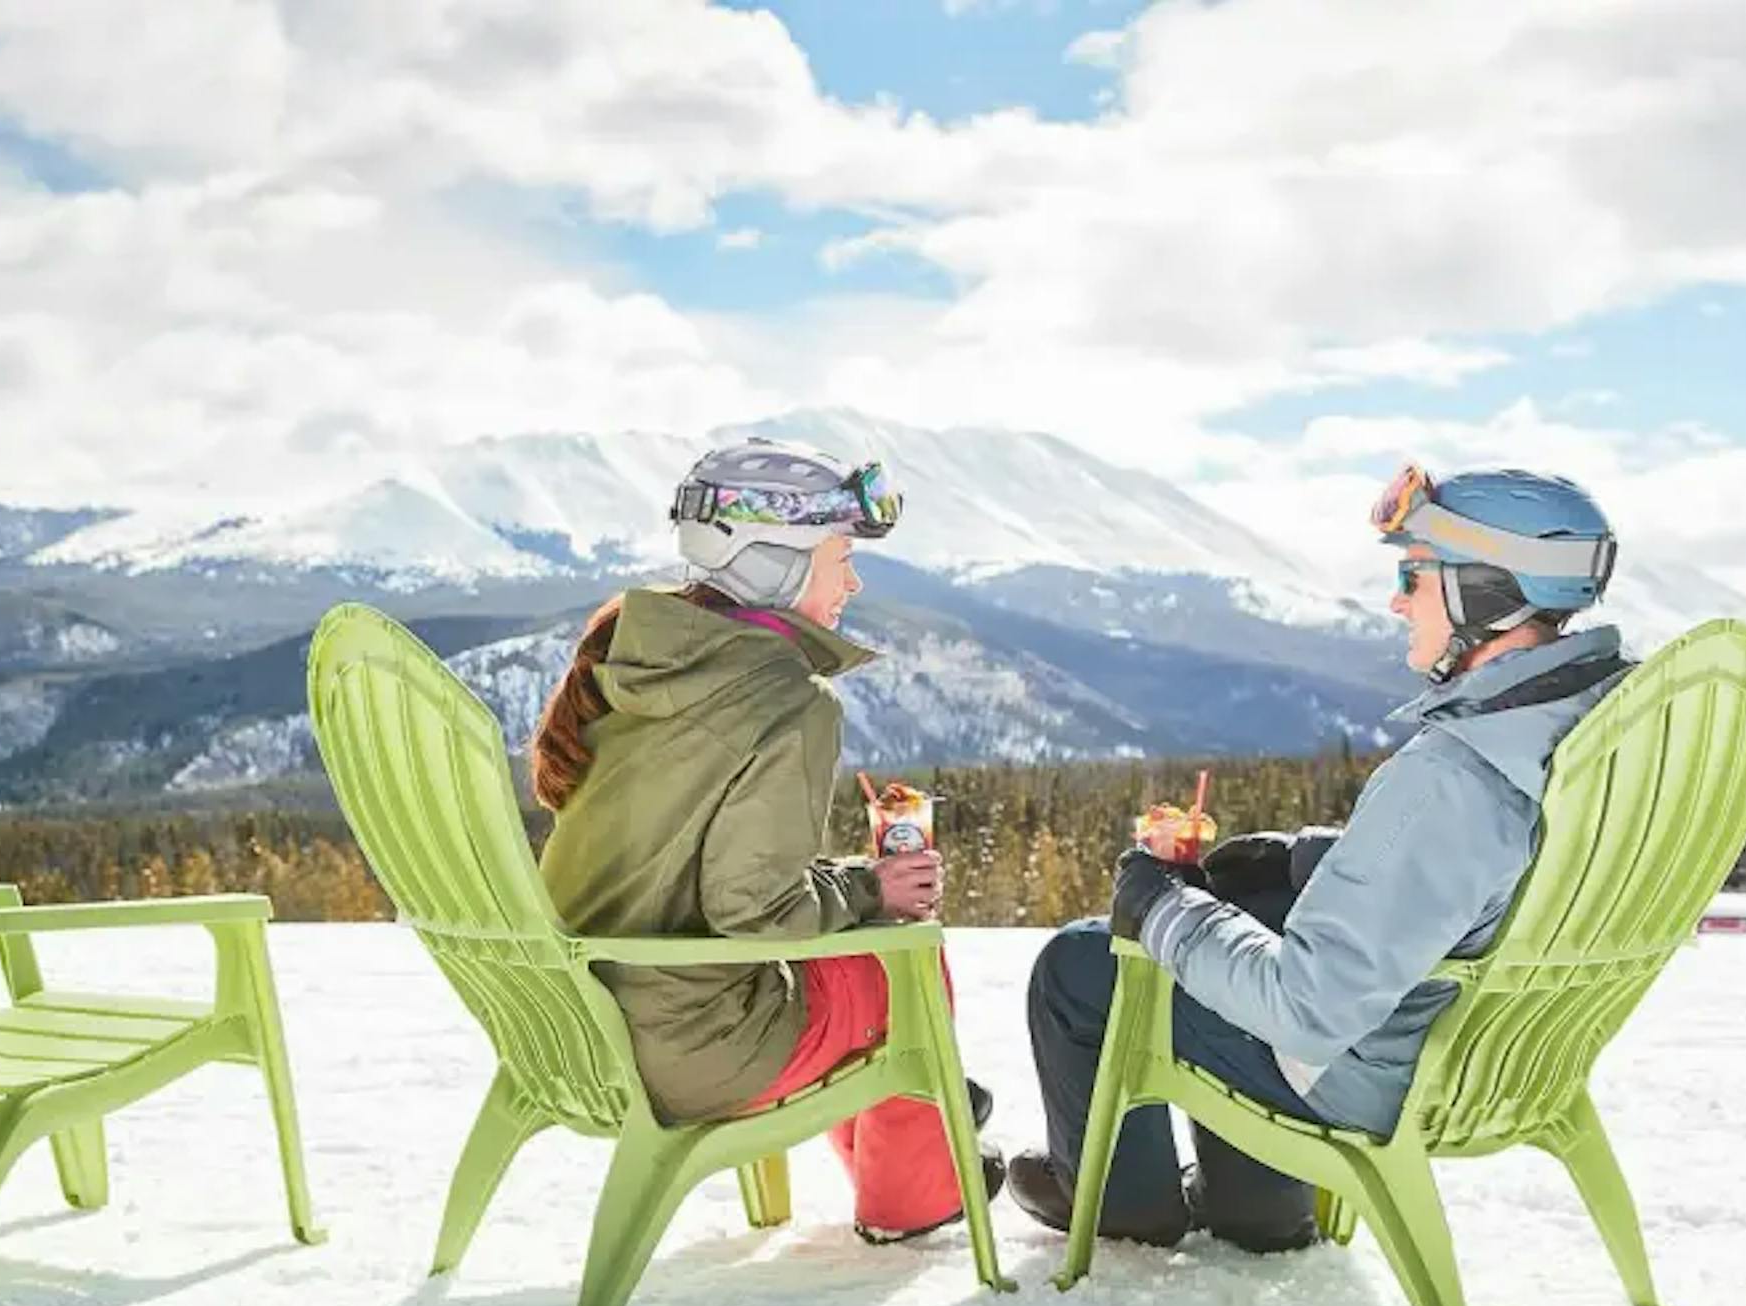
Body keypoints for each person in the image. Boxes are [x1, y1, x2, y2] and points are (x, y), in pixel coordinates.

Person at [1007, 466, 1629, 1252]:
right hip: (1485, 1037)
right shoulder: (1585, 731)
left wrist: (1162, 903)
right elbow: (1491, 864)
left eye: (1414, 576)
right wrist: (1300, 861)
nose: (1398, 601)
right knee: (1252, 909)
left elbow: (1305, 1010)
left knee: (1082, 960)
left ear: (1485, 593)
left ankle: (1124, 1203)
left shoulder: (1451, 773)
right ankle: (1254, 1207)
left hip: (1372, 1070)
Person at [533, 437, 1001, 1244]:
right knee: (906, 952)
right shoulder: (787, 697)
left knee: (865, 945)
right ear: (773, 562)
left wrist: (850, 884)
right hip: (689, 1049)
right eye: (839, 557)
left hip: (579, 1026)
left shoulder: (640, 664)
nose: (852, 580)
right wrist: (869, 890)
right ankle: (913, 1190)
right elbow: (757, 912)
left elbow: (693, 863)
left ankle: (920, 1123)